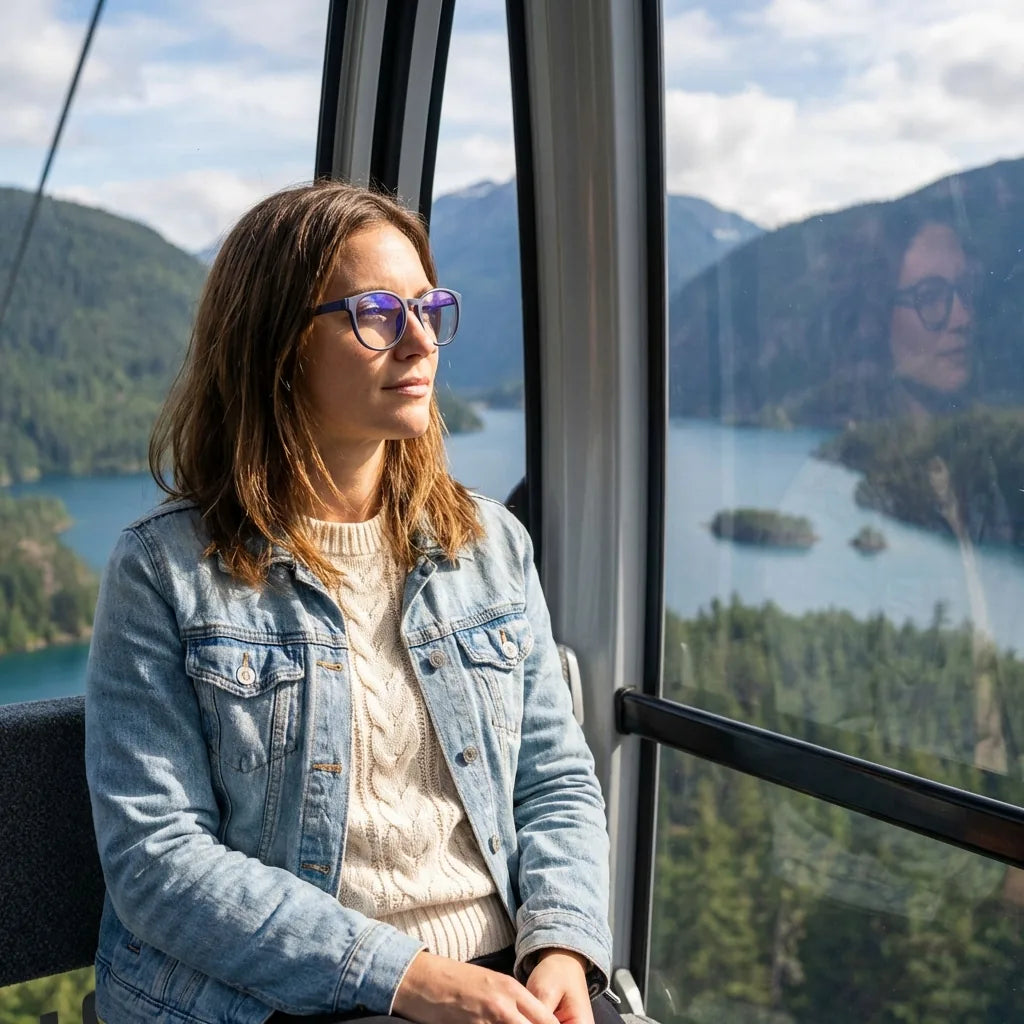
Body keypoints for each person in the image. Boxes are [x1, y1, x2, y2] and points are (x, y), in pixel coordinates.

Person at [84, 180, 615, 1024]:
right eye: (376, 311)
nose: (419, 341)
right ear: (280, 344)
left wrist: (562, 942)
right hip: (285, 997)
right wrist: (411, 979)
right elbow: (159, 860)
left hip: (500, 978)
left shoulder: (490, 546)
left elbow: (552, 780)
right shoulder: (167, 571)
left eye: (428, 307)